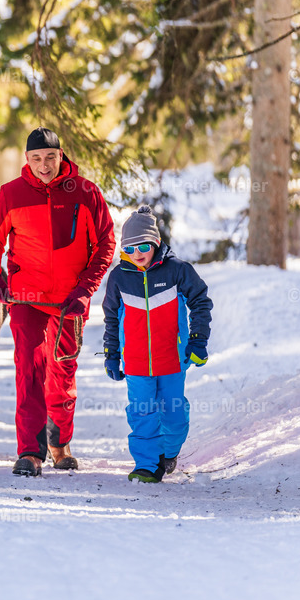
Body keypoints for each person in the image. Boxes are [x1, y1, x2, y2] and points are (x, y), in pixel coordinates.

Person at [0, 127, 116, 477]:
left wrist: (85, 289)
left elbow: (104, 244)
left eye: (50, 157)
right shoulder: (12, 194)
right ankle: (29, 451)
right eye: (37, 158)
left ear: (61, 156)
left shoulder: (86, 193)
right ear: (27, 159)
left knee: (63, 373)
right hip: (26, 299)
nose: (44, 165)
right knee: (29, 371)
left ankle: (60, 443)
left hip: (69, 302)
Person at [102, 205, 213, 483]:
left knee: (174, 415)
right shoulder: (119, 278)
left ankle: (168, 452)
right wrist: (112, 355)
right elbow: (111, 319)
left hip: (173, 359)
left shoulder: (177, 271)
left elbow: (201, 301)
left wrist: (198, 341)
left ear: (156, 242)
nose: (137, 253)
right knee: (141, 413)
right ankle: (147, 465)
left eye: (143, 246)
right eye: (129, 248)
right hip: (136, 362)